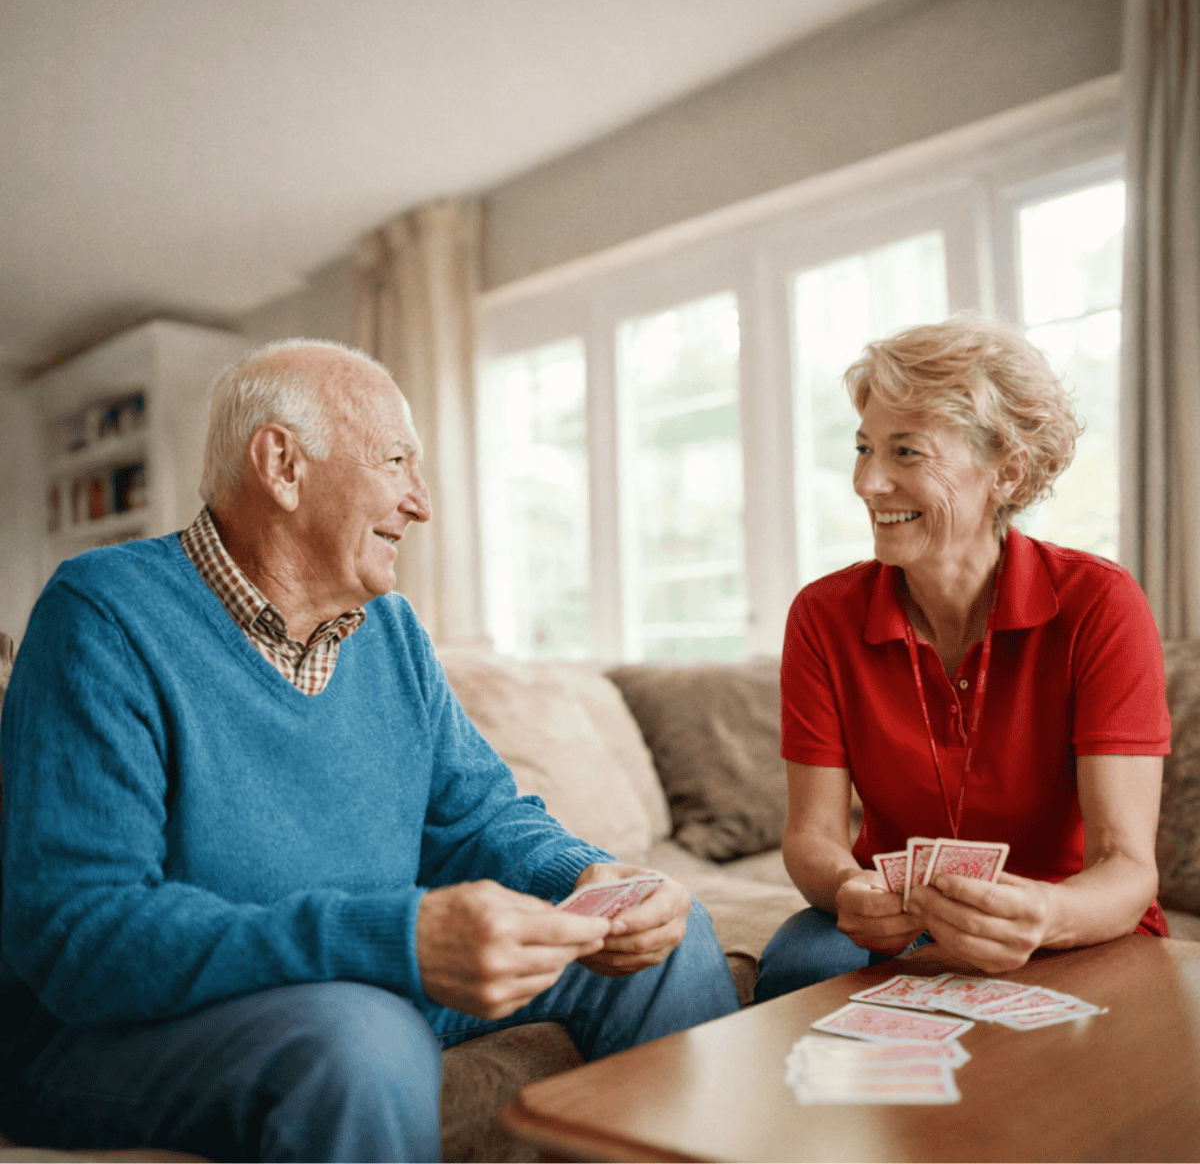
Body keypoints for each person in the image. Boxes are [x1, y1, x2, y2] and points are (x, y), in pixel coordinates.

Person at [0, 338, 740, 1162]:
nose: (421, 503)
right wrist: (389, 938)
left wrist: (590, 879)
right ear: (282, 465)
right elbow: (82, 933)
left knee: (674, 940)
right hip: (118, 1030)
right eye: (396, 461)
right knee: (364, 1038)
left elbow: (479, 819)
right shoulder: (103, 614)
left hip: (362, 975)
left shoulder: (390, 632)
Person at [754, 316, 1170, 1002]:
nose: (868, 482)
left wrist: (1046, 915)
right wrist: (847, 888)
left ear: (1006, 470)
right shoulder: (822, 616)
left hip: (1070, 921)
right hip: (895, 922)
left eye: (906, 453)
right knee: (800, 972)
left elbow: (1126, 869)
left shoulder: (1101, 603)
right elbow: (812, 835)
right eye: (863, 449)